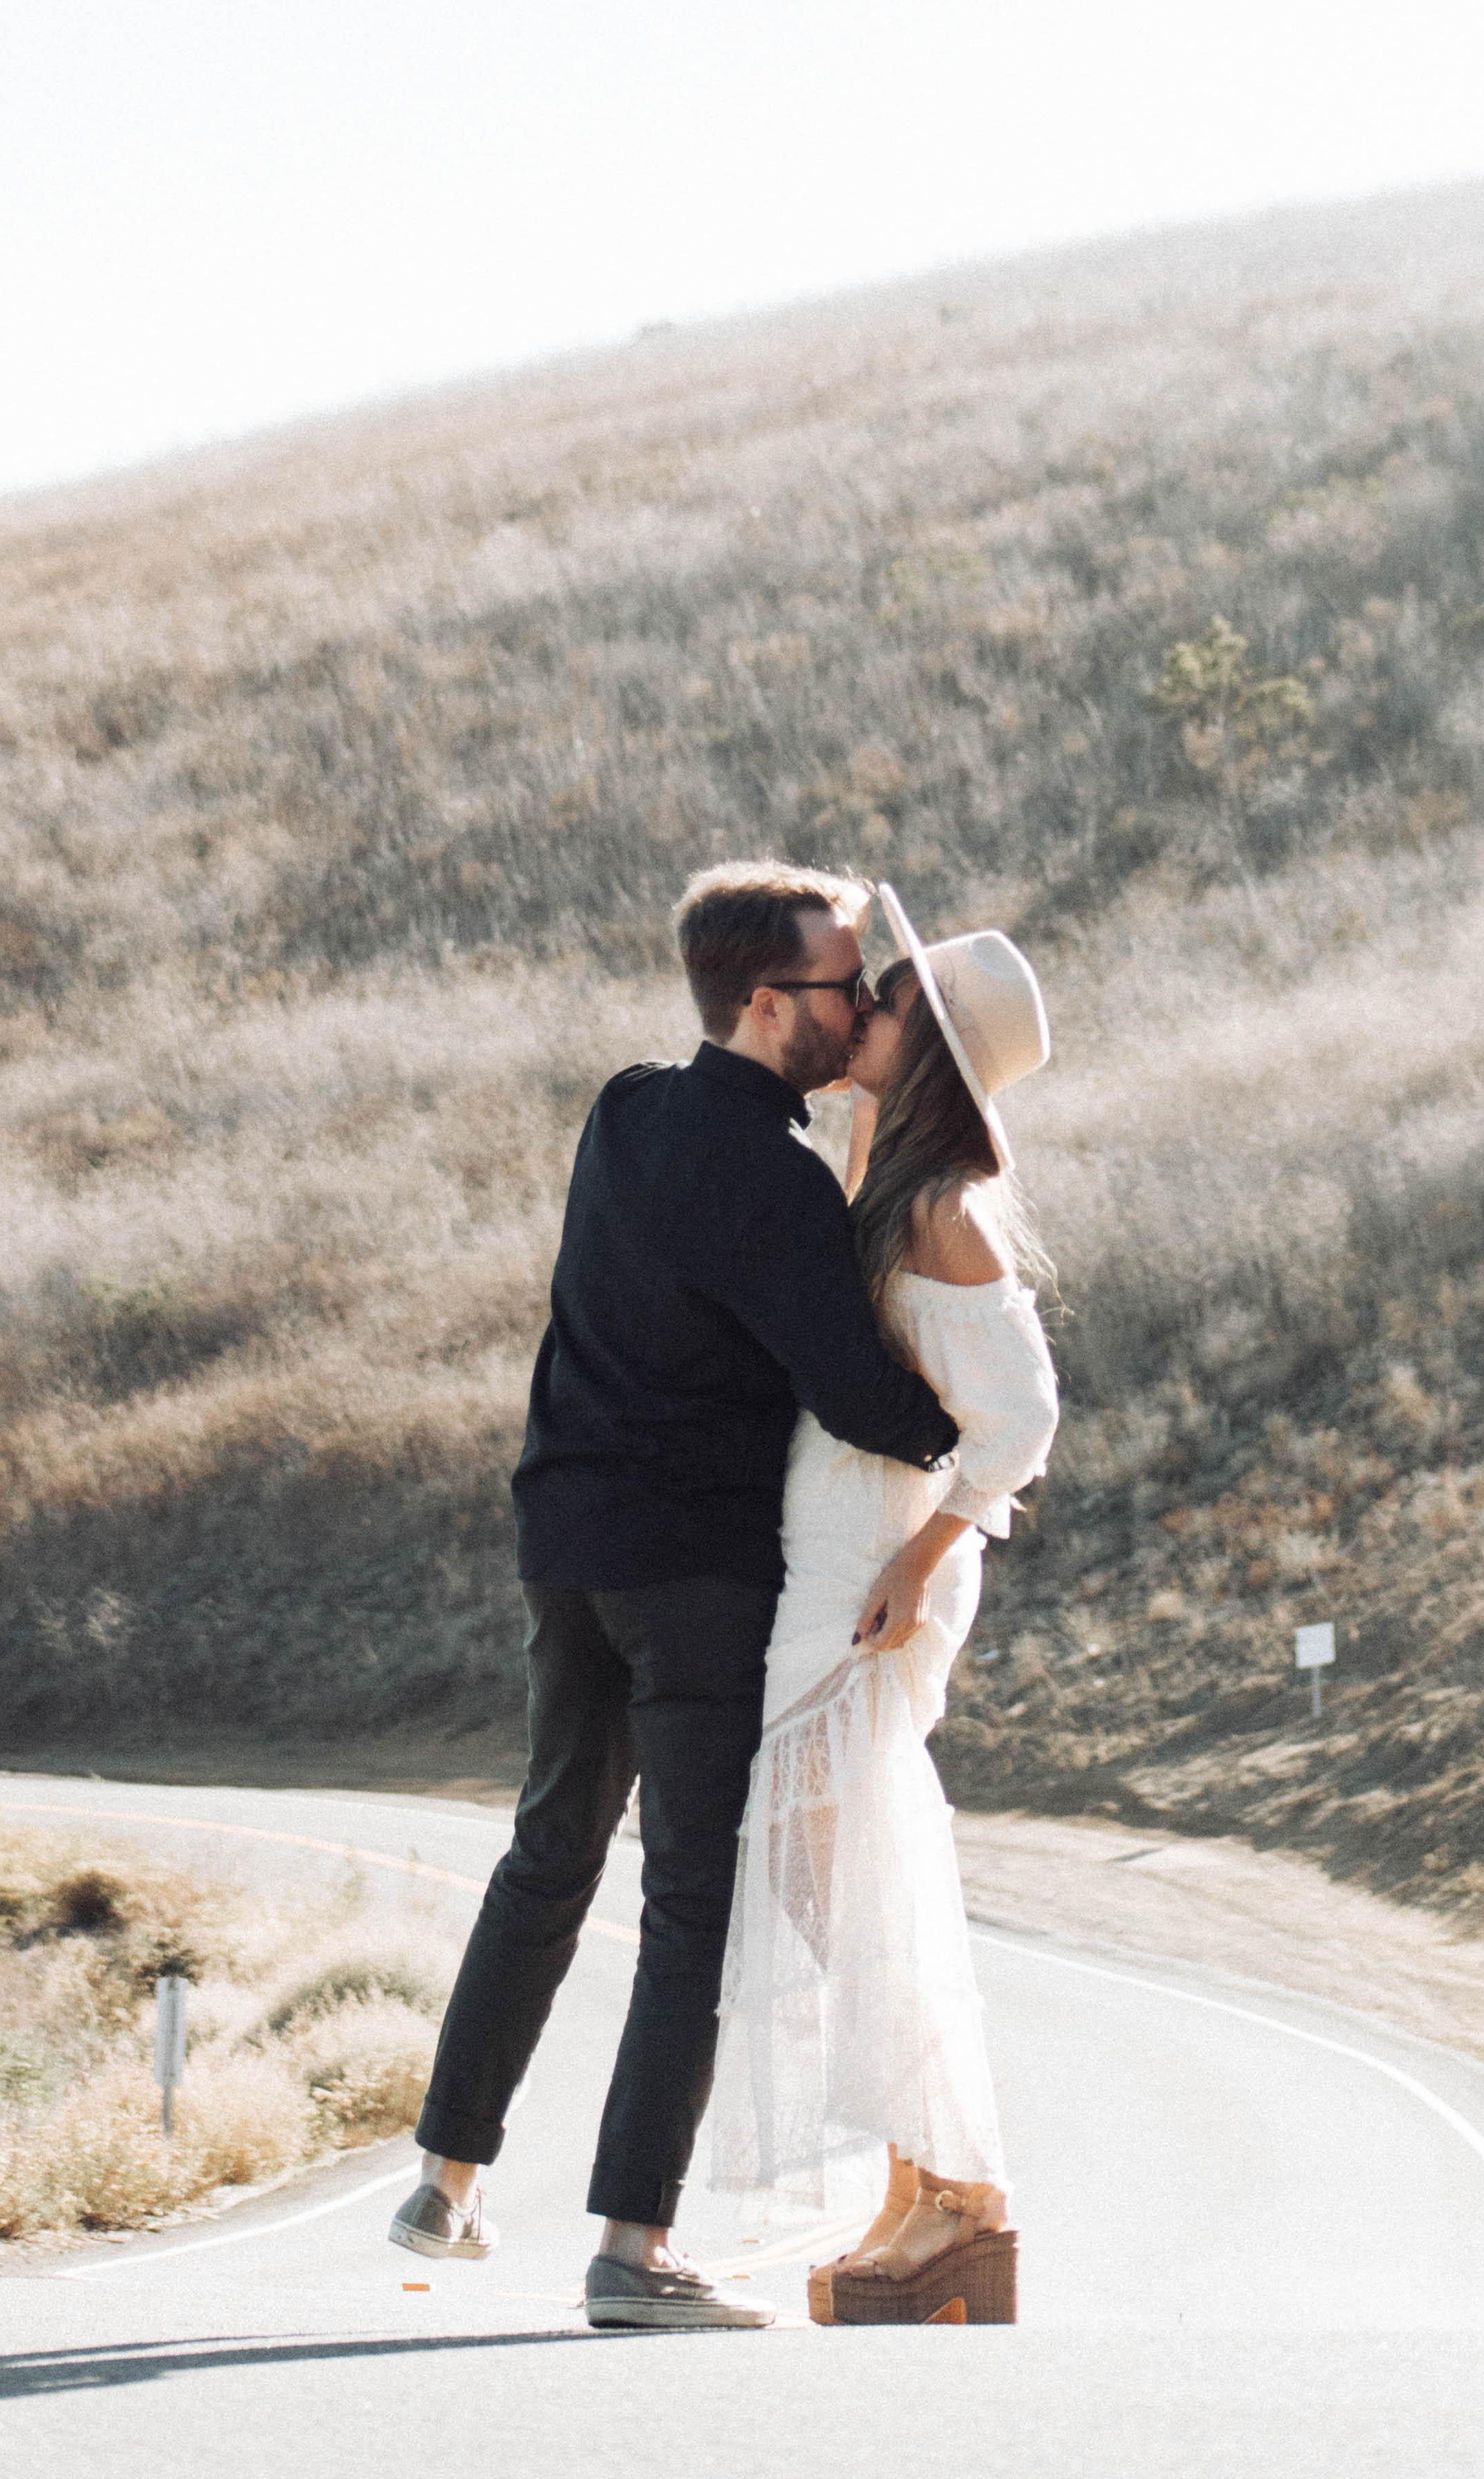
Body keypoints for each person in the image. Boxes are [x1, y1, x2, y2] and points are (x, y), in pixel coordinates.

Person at [391, 860, 962, 2333]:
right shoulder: (772, 1179)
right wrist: (967, 1438)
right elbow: (856, 1392)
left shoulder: (625, 1109)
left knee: (548, 1854)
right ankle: (633, 2249)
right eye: (843, 984)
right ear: (768, 1001)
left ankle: (445, 2178)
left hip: (565, 1541)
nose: (860, 1005)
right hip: (693, 1577)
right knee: (692, 1902)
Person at [698, 882, 1060, 2328]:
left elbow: (1021, 1415)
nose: (863, 1005)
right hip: (838, 1554)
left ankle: (961, 2198)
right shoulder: (879, 1174)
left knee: (856, 1882)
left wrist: (924, 1557)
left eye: (888, 998)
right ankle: (922, 2189)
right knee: (839, 1885)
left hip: (875, 1571)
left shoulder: (939, 1207)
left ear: (933, 1050)